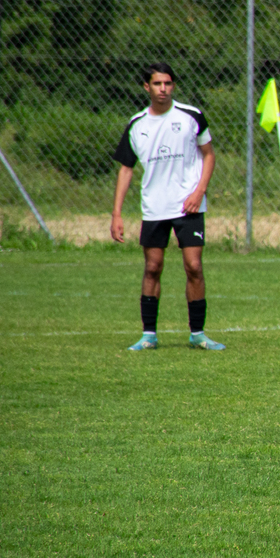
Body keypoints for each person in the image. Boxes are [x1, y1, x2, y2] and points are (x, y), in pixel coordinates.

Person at [111, 63, 224, 351]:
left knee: (194, 266)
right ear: (146, 87)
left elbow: (209, 155)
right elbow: (126, 169)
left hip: (189, 206)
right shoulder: (137, 125)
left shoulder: (191, 116)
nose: (163, 89)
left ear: (173, 86)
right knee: (152, 267)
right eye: (157, 84)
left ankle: (198, 334)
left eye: (168, 83)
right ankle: (148, 335)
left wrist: (199, 191)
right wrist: (117, 214)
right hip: (154, 207)